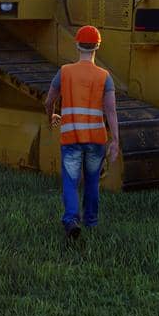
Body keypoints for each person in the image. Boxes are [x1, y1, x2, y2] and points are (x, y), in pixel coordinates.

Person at [46, 24, 121, 239]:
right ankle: (91, 222)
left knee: (70, 182)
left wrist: (50, 115)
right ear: (97, 46)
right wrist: (115, 141)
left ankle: (71, 220)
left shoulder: (65, 72)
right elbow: (111, 111)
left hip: (71, 138)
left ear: (77, 45)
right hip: (96, 140)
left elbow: (49, 100)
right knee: (92, 181)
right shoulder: (104, 76)